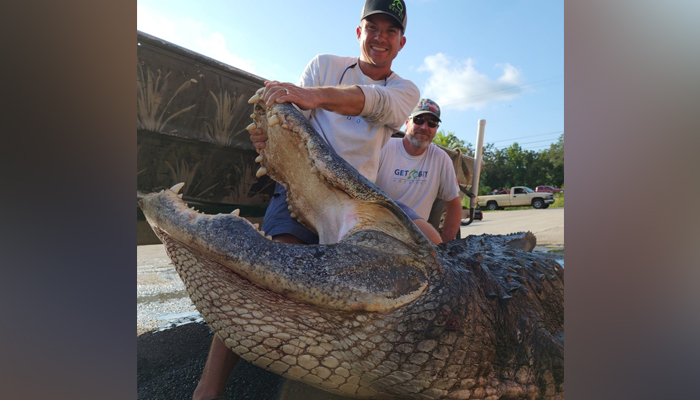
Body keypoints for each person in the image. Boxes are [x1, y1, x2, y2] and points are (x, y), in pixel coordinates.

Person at [193, 1, 418, 399]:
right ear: (359, 32)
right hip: (301, 183)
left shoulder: (405, 90)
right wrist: (268, 136)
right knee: (266, 268)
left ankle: (322, 374)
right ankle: (207, 389)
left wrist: (311, 96)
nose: (381, 37)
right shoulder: (324, 63)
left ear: (402, 41)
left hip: (355, 202)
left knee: (358, 297)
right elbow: (290, 126)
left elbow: (375, 104)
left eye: (390, 30)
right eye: (373, 27)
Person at [375, 99, 462, 243]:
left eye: (432, 123)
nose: (424, 127)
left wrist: (447, 248)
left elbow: (454, 204)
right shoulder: (383, 148)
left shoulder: (441, 159)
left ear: (436, 128)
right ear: (407, 122)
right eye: (419, 120)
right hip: (378, 232)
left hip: (416, 240)